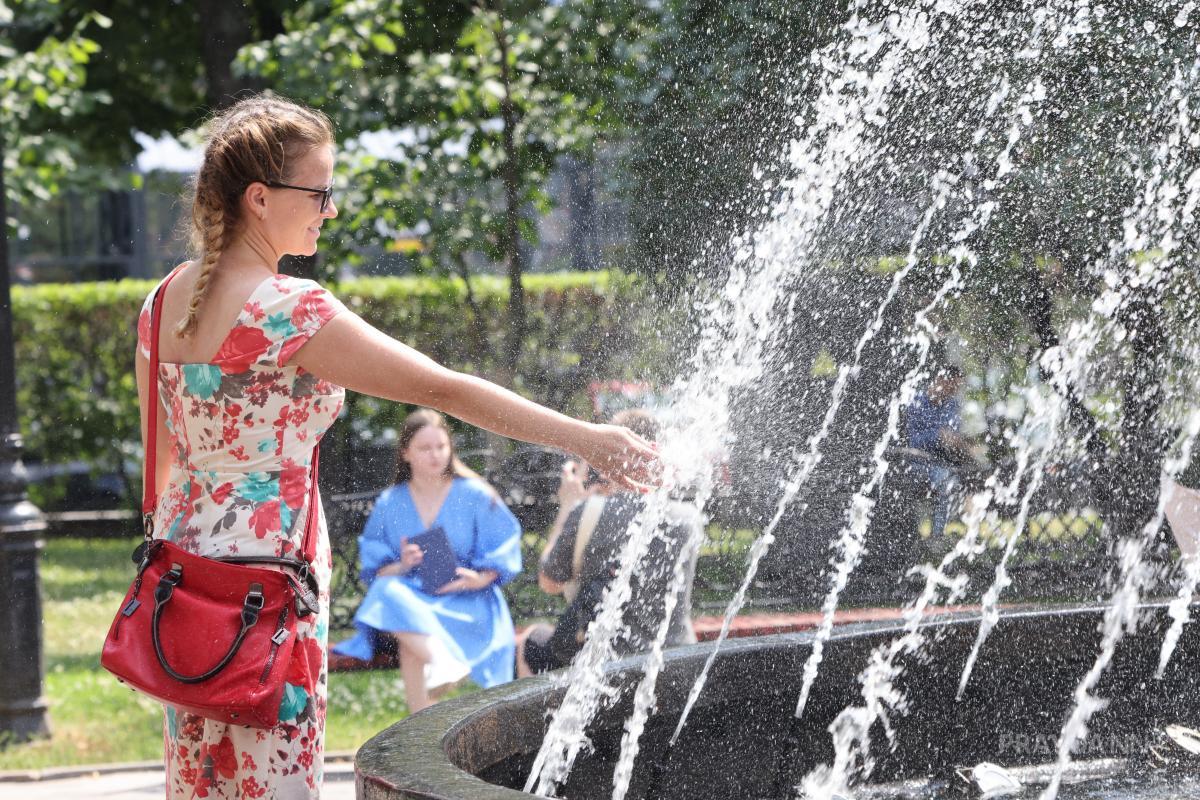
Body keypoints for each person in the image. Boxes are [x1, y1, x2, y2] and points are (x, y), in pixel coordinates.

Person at [133, 93, 656, 799]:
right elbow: (444, 391)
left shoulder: (161, 302)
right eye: (319, 191)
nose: (330, 208)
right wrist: (586, 435)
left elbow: (161, 464)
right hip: (268, 585)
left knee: (203, 782)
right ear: (259, 197)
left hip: (187, 581)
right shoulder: (290, 308)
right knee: (274, 777)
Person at [331, 409, 521, 712]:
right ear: (406, 453)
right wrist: (403, 564)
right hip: (415, 603)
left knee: (411, 647)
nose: (435, 455)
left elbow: (504, 546)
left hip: (469, 600)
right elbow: (378, 571)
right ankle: (442, 663)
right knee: (387, 591)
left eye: (441, 447)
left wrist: (479, 579)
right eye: (425, 448)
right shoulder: (390, 502)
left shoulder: (474, 494)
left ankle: (420, 727)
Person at [517, 409, 700, 677]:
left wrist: (568, 507)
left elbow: (549, 582)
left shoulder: (588, 512)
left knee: (531, 641)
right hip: (674, 658)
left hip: (606, 663)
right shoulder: (688, 517)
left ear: (614, 452)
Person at [905, 363, 976, 538]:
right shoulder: (916, 402)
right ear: (941, 380)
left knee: (973, 474)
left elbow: (953, 436)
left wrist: (960, 445)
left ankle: (970, 530)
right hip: (916, 464)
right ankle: (938, 536)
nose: (955, 391)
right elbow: (912, 441)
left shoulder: (952, 405)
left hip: (944, 462)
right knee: (945, 479)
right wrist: (938, 436)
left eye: (958, 387)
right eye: (954, 386)